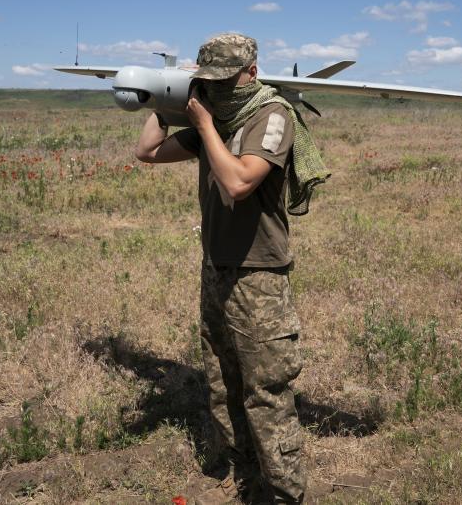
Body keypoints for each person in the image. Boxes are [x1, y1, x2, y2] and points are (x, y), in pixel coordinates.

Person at [134, 33, 329, 504]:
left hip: (258, 274)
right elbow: (147, 152)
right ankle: (243, 473)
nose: (217, 89)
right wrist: (168, 106)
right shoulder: (217, 119)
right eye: (208, 81)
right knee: (222, 380)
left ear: (252, 73)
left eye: (225, 79)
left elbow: (240, 181)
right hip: (217, 268)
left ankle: (285, 494)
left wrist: (203, 127)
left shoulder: (269, 116)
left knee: (266, 392)